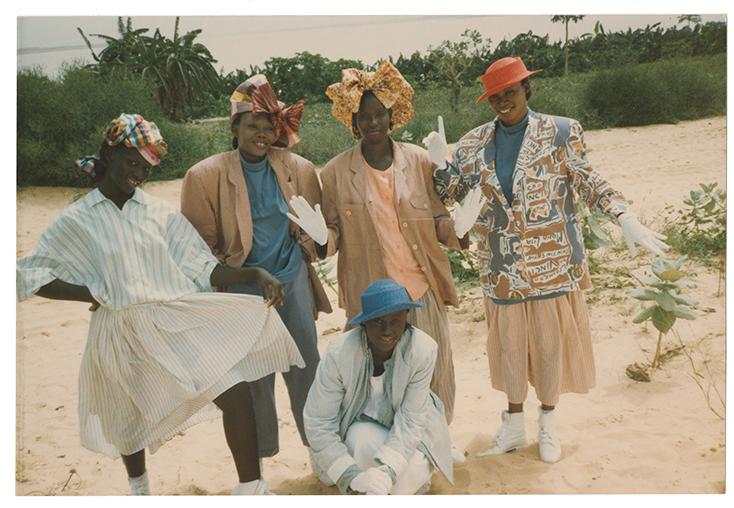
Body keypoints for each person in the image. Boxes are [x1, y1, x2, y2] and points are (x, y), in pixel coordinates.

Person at [15, 113, 306, 496]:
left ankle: (252, 485)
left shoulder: (158, 213)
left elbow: (203, 269)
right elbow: (30, 275)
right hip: (120, 328)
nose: (138, 173)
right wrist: (93, 292)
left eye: (146, 166)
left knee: (234, 391)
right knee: (128, 414)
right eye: (131, 162)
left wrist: (253, 274)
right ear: (108, 153)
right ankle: (139, 487)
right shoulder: (77, 219)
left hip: (172, 319)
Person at [423, 57, 668, 464]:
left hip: (552, 263)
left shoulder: (562, 131)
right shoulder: (471, 143)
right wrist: (438, 164)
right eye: (495, 97)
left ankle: (548, 424)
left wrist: (624, 215)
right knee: (510, 350)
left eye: (511, 93)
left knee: (551, 348)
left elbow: (588, 181)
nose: (504, 102)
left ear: (526, 90)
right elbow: (452, 194)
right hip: (501, 267)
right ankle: (514, 425)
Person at [287, 61, 467, 454]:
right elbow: (330, 234)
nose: (372, 122)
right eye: (364, 116)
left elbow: (439, 219)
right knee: (380, 375)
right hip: (373, 295)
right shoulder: (335, 172)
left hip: (421, 285)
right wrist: (320, 238)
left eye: (379, 114)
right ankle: (389, 442)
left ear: (392, 116)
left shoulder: (418, 160)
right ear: (354, 122)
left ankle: (439, 438)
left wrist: (462, 229)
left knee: (434, 366)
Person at [180, 75, 331, 464]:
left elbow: (319, 235)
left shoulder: (298, 167)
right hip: (242, 285)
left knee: (305, 363)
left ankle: (320, 451)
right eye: (252, 126)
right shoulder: (204, 176)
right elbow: (200, 252)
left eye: (269, 128)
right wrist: (239, 281)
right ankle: (260, 460)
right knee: (253, 374)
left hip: (292, 277)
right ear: (235, 127)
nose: (261, 136)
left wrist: (318, 243)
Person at [303, 279, 454, 495]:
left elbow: (411, 422)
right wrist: (353, 478)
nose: (387, 330)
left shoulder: (422, 349)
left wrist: (387, 472)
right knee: (358, 438)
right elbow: (318, 422)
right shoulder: (339, 354)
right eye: (377, 321)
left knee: (408, 468)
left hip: (411, 434)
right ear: (364, 322)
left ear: (406, 319)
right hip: (364, 431)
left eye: (395, 321)